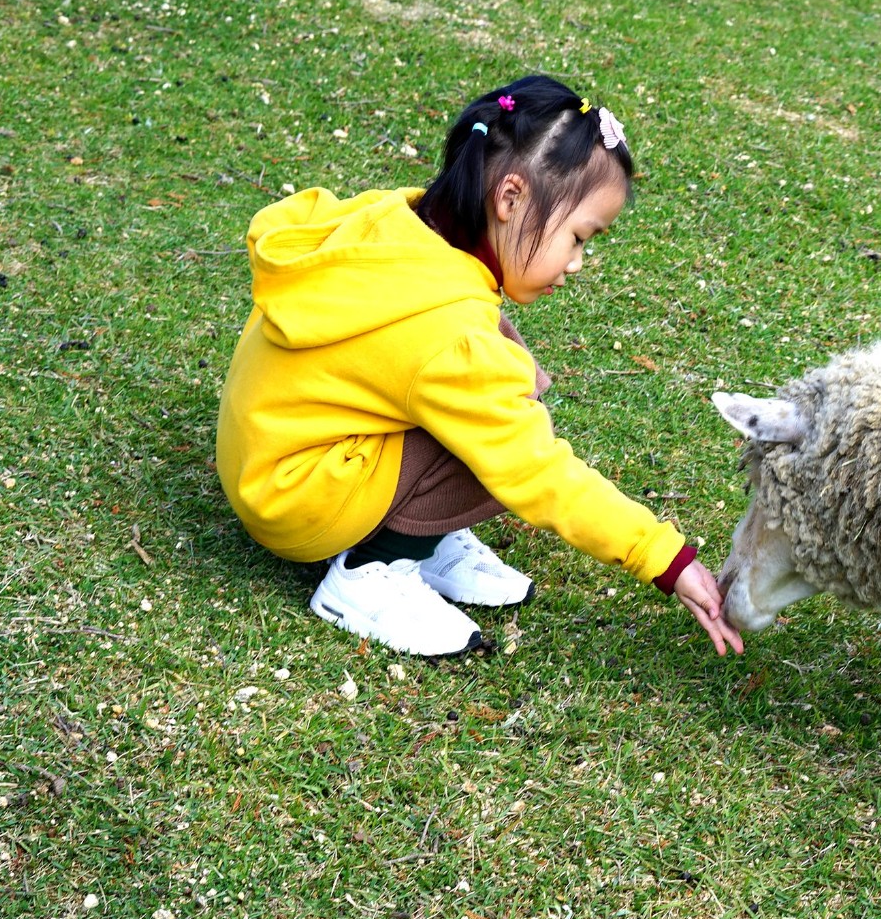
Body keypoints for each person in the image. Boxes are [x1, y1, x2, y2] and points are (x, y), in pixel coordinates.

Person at [215, 74, 742, 658]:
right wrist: (665, 560)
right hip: (301, 504)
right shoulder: (446, 335)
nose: (578, 263)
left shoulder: (400, 221)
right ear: (510, 197)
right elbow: (538, 471)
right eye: (578, 237)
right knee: (505, 417)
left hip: (267, 459)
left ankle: (423, 534)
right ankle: (372, 571)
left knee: (497, 360)